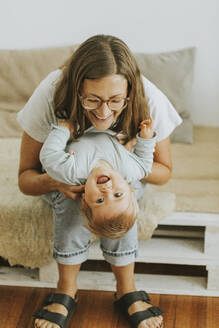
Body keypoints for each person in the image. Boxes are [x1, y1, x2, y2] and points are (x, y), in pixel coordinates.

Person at [17, 34, 182, 328]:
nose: (104, 112)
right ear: (76, 88)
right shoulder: (51, 93)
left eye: (116, 101)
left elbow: (163, 171)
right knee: (73, 205)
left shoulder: (149, 99)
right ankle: (66, 290)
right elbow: (25, 180)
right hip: (63, 180)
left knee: (120, 209)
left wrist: (125, 177)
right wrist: (57, 182)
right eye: (92, 99)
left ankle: (126, 289)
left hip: (126, 175)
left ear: (130, 92)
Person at [39, 118, 156, 239]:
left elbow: (48, 157)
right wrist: (146, 138)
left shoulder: (73, 172)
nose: (107, 191)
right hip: (108, 122)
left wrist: (63, 130)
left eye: (100, 200)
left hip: (78, 125)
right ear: (130, 189)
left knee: (65, 199)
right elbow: (145, 165)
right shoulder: (130, 170)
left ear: (84, 200)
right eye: (118, 195)